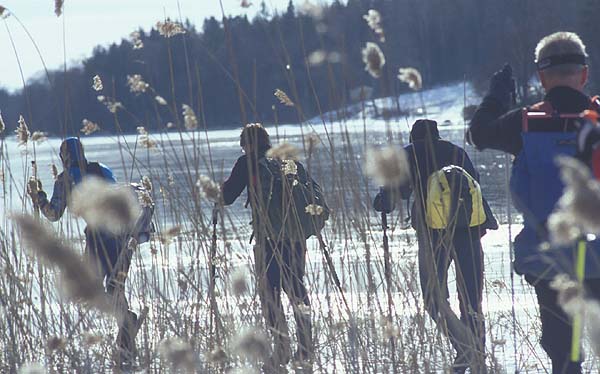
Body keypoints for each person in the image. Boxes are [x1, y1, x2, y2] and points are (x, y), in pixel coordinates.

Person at [467, 31, 600, 374]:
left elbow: (478, 134)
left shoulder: (524, 124)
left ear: (541, 77)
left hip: (549, 262)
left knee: (565, 356)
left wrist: (497, 95)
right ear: (584, 74)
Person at [374, 119, 497, 373]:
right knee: (472, 301)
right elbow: (476, 184)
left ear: (413, 136)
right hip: (470, 233)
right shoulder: (457, 151)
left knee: (433, 298)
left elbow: (390, 198)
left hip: (433, 237)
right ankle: (478, 356)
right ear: (438, 134)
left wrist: (381, 199)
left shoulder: (409, 154)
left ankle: (464, 348)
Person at [28, 137, 141, 366]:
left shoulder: (66, 178)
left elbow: (54, 214)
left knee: (90, 289)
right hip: (123, 235)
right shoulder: (103, 169)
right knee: (115, 286)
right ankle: (126, 342)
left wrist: (38, 198)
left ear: (64, 156)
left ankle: (127, 326)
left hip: (98, 238)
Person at [222, 123, 314, 371]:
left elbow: (227, 196)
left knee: (270, 292)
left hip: (269, 240)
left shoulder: (247, 163)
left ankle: (281, 347)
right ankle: (306, 346)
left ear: (247, 144)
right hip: (296, 236)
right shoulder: (286, 159)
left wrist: (214, 190)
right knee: (296, 286)